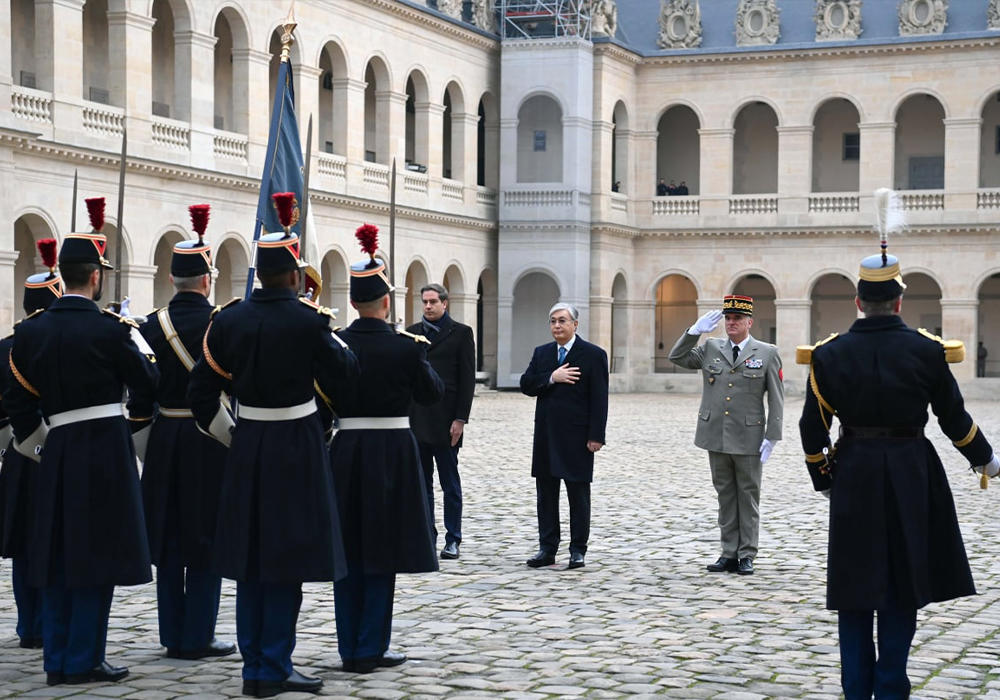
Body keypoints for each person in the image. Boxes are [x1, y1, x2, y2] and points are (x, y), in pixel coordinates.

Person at [799, 241, 998, 700]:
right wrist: (985, 459)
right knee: (901, 585)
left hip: (853, 474)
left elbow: (813, 428)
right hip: (912, 472)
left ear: (858, 302)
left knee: (854, 589)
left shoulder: (829, 355)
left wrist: (825, 480)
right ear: (899, 301)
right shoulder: (927, 351)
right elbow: (954, 418)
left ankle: (856, 690)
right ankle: (891, 688)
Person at [187, 193, 359, 698]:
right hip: (298, 445)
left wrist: (231, 434)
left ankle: (254, 666)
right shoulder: (311, 321)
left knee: (250, 559)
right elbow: (346, 379)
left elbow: (201, 391)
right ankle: (275, 664)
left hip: (249, 444)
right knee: (285, 559)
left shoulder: (230, 320)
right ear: (295, 273)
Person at [4, 198, 158, 686]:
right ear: (95, 277)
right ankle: (85, 657)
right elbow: (149, 382)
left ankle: (57, 658)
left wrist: (45, 446)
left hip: (58, 446)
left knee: (56, 553)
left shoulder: (31, 334)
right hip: (106, 449)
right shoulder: (113, 329)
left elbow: (19, 404)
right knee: (98, 554)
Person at [327, 223, 443, 673]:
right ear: (387, 301)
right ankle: (371, 645)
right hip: (393, 449)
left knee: (349, 549)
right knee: (383, 549)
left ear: (353, 302)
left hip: (346, 448)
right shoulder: (406, 347)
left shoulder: (335, 343)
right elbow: (432, 394)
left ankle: (347, 645)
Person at [126, 205, 235, 661]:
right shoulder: (222, 323)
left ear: (172, 279)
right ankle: (200, 634)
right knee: (206, 537)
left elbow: (139, 399)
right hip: (210, 437)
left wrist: (147, 446)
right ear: (207, 279)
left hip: (166, 437)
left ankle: (172, 632)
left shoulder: (149, 325)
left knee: (168, 538)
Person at [668, 295, 783, 576]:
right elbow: (678, 357)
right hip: (716, 434)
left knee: (748, 495)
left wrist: (773, 435)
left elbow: (777, 397)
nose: (731, 323)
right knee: (725, 495)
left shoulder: (766, 352)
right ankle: (728, 552)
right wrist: (693, 332)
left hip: (749, 436)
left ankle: (747, 553)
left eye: (737, 319)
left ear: (749, 322)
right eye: (728, 319)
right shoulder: (711, 347)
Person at [0, 238, 62, 650]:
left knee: (24, 542)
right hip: (55, 450)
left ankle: (29, 625)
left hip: (19, 452)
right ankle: (47, 621)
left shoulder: (6, 348)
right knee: (50, 539)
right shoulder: (60, 343)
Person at [519, 303, 608, 570]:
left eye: (562, 321)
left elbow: (600, 398)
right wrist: (551, 377)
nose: (557, 326)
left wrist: (596, 435)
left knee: (577, 494)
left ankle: (577, 549)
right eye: (553, 321)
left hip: (577, 437)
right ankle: (547, 548)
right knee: (546, 494)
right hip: (546, 434)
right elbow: (526, 384)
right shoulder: (542, 353)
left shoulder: (593, 355)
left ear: (575, 325)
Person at [407, 283, 475, 560]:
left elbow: (467, 380)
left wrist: (460, 419)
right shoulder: (411, 334)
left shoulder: (460, 334)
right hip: (417, 419)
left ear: (445, 303)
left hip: (447, 420)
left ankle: (453, 538)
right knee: (421, 483)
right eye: (425, 301)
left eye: (433, 301)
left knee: (450, 483)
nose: (428, 306)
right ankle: (426, 536)